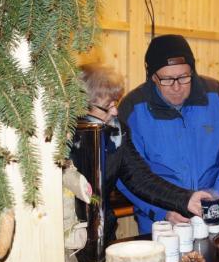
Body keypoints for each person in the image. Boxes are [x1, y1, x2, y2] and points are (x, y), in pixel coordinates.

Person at [117, 35, 219, 233]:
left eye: (183, 77)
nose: (177, 87)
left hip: (212, 212)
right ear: (153, 77)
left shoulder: (217, 95)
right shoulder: (132, 108)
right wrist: (162, 211)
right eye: (167, 79)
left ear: (193, 71)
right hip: (160, 222)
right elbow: (125, 173)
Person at [73, 63, 210, 242]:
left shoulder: (117, 131)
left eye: (116, 103)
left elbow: (140, 178)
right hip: (67, 234)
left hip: (102, 230)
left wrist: (186, 199)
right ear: (82, 108)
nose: (115, 111)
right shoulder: (61, 141)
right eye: (107, 106)